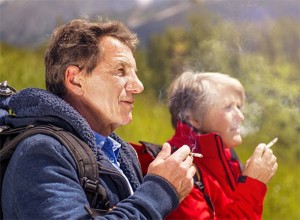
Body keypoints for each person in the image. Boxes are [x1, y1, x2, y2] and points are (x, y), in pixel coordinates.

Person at [1, 19, 196, 219]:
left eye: (134, 74)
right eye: (120, 71)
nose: (138, 86)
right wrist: (160, 191)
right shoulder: (42, 151)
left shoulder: (121, 153)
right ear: (75, 80)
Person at [163, 71, 278, 219]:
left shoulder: (228, 160)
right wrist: (252, 184)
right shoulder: (179, 171)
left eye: (239, 106)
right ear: (192, 118)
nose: (240, 116)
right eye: (228, 107)